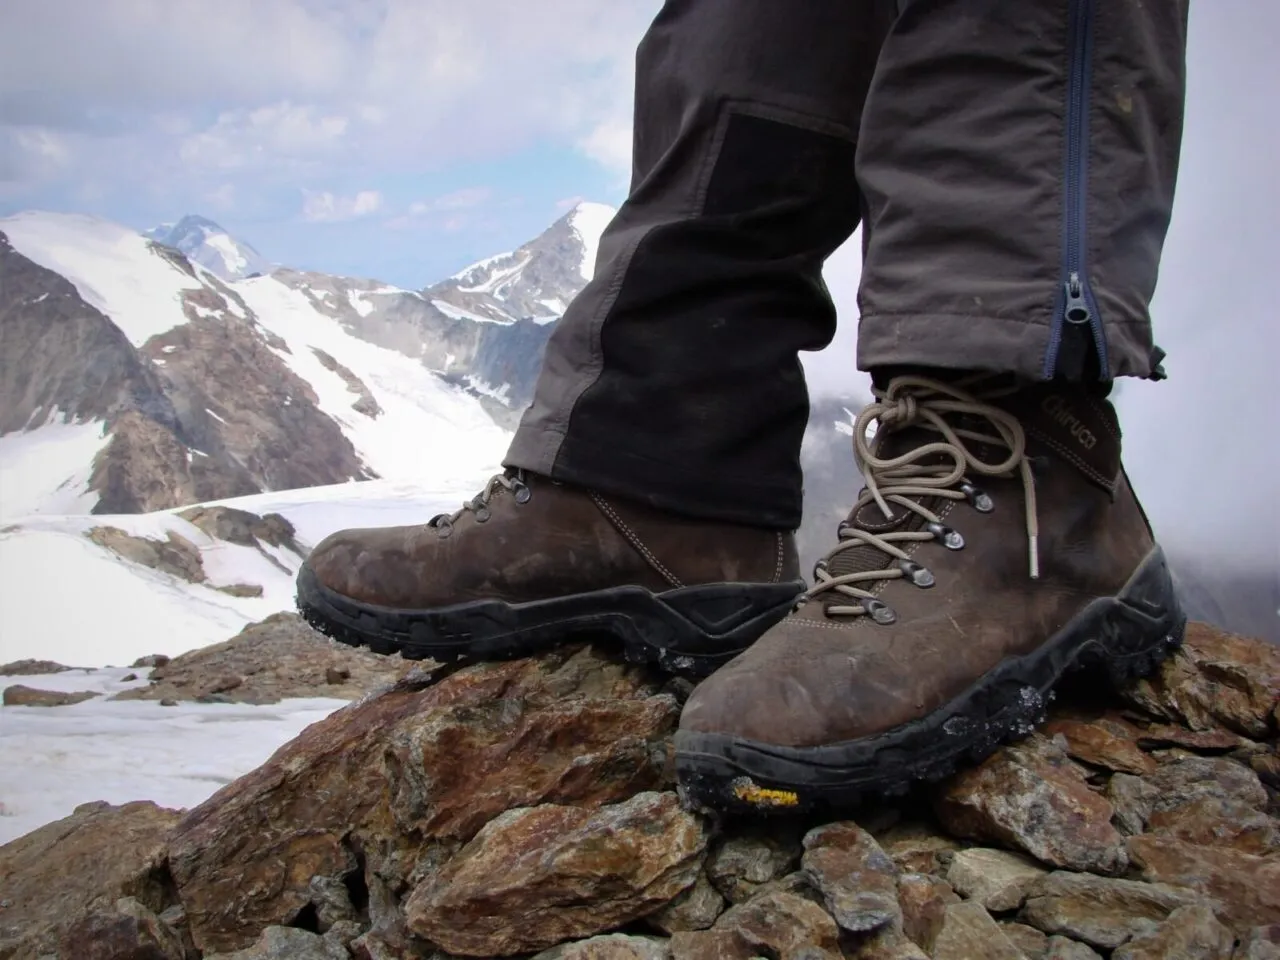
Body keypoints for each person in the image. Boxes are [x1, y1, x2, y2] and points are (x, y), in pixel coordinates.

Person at [297, 0, 1190, 813]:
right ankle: (661, 481)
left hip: (1030, 447)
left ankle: (1029, 463)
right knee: (751, 40)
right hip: (659, 438)